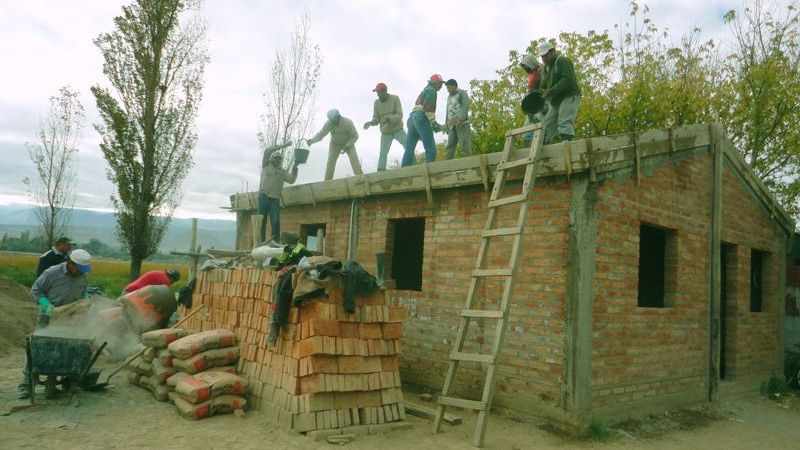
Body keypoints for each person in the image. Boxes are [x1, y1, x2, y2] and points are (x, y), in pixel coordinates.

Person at [19, 249, 92, 399]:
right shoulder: (52, 273)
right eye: (79, 269)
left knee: (64, 350)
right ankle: (27, 385)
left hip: (69, 318)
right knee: (36, 349)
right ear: (71, 263)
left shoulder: (83, 276)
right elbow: (36, 290)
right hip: (49, 315)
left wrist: (86, 299)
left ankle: (53, 383)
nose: (81, 273)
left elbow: (83, 291)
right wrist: (46, 305)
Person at [538, 41, 581, 143]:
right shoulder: (548, 68)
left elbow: (567, 79)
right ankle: (546, 151)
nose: (544, 59)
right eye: (542, 56)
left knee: (564, 122)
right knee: (546, 125)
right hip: (557, 99)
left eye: (545, 55)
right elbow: (545, 84)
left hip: (569, 95)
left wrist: (550, 91)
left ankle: (568, 150)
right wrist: (540, 92)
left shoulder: (562, 61)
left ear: (553, 52)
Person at [258, 144, 298, 245]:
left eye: (279, 159)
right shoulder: (266, 165)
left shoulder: (282, 172)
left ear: (281, 160)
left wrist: (295, 168)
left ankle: (274, 242)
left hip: (274, 199)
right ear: (272, 159)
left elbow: (291, 180)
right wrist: (282, 146)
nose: (277, 160)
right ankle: (260, 241)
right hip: (264, 196)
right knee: (261, 221)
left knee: (275, 222)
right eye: (276, 158)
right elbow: (267, 151)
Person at [401, 74, 445, 166]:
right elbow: (428, 108)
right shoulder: (431, 91)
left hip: (411, 119)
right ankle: (430, 173)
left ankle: (403, 174)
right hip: (421, 117)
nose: (441, 86)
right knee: (430, 148)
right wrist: (433, 122)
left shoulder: (424, 90)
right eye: (440, 83)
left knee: (409, 150)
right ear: (435, 83)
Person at [307, 109, 363, 180]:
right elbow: (321, 134)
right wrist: (312, 140)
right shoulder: (329, 124)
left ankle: (361, 178)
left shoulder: (348, 122)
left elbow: (355, 136)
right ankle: (327, 182)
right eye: (331, 121)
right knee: (330, 163)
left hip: (348, 143)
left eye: (334, 121)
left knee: (355, 161)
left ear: (338, 117)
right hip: (335, 144)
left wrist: (347, 146)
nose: (332, 123)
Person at [363, 82, 406, 171]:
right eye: (376, 93)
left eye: (378, 92)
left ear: (384, 91)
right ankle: (381, 171)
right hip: (386, 132)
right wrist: (371, 123)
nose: (377, 94)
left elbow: (399, 114)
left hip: (398, 129)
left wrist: (389, 118)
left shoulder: (395, 98)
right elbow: (376, 119)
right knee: (383, 153)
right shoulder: (376, 103)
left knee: (408, 146)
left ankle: (413, 166)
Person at [444, 79, 472, 159]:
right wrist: (446, 125)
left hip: (462, 123)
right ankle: (447, 165)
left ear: (454, 86)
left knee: (464, 144)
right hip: (451, 125)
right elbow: (447, 111)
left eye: (448, 88)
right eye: (447, 88)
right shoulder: (449, 97)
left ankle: (467, 164)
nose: (447, 90)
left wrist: (460, 119)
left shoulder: (462, 93)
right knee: (450, 146)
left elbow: (465, 106)